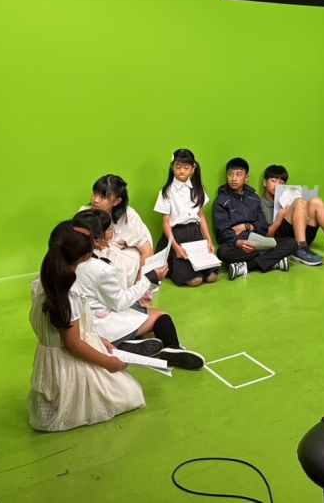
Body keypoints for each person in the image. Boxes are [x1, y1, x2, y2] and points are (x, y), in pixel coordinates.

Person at [27, 220, 145, 432]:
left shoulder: (44, 280)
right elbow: (72, 344)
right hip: (69, 363)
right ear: (86, 256)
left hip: (51, 362)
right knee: (132, 394)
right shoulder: (69, 292)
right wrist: (108, 363)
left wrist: (98, 339)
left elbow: (63, 331)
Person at [71, 209, 206, 370]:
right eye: (109, 229)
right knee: (161, 316)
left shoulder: (70, 258)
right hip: (100, 325)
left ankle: (128, 343)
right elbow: (119, 302)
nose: (113, 231)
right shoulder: (101, 269)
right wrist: (150, 279)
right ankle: (172, 348)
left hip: (78, 323)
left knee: (136, 310)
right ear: (97, 240)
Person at [213, 158, 295, 280]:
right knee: (222, 252)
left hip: (258, 242)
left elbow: (263, 227)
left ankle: (245, 266)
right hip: (237, 244)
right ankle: (273, 260)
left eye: (238, 175)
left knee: (292, 243)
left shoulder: (254, 198)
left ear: (246, 178)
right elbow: (223, 231)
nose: (233, 178)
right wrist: (238, 243)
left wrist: (247, 226)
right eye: (230, 174)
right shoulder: (221, 201)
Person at [153, 149, 219, 287]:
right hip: (176, 236)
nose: (181, 171)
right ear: (172, 167)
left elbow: (201, 217)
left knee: (212, 277)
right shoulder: (166, 192)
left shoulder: (198, 189)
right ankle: (171, 266)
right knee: (195, 281)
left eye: (186, 167)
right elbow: (166, 223)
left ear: (193, 168)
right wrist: (176, 247)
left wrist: (209, 240)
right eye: (178, 167)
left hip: (195, 235)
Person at [261, 164, 324, 263]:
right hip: (281, 240)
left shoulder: (289, 196)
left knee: (316, 201)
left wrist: (303, 216)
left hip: (302, 236)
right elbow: (264, 236)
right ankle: (300, 249)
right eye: (273, 181)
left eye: (282, 183)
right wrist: (279, 219)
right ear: (265, 182)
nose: (277, 185)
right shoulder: (259, 204)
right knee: (300, 202)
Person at [89, 174, 153, 290]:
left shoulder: (130, 219)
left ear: (117, 201)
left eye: (103, 197)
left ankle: (118, 295)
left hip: (124, 257)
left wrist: (141, 286)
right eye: (94, 193)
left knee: (115, 263)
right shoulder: (86, 213)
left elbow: (147, 251)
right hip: (102, 253)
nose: (96, 200)